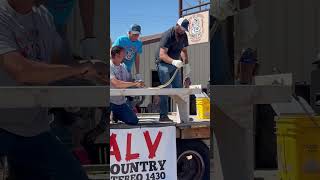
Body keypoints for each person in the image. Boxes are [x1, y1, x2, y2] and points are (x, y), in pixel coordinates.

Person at [0, 0, 100, 179]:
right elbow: (22, 71)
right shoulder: (3, 14)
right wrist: (78, 70)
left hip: (35, 130)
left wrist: (93, 70)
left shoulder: (44, 16)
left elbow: (62, 63)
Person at [155, 17, 192, 122]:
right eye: (181, 28)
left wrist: (187, 65)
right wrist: (174, 61)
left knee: (179, 89)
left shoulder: (183, 36)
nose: (182, 31)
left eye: (184, 29)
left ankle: (183, 116)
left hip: (174, 64)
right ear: (177, 25)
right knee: (166, 89)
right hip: (163, 63)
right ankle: (163, 116)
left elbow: (183, 51)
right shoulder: (168, 35)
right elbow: (162, 55)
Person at [110, 46, 144, 125]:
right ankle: (113, 115)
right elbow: (117, 83)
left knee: (133, 121)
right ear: (116, 55)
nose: (125, 56)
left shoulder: (123, 66)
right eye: (123, 54)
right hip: (110, 103)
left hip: (120, 102)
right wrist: (135, 83)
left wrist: (138, 82)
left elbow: (129, 81)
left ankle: (115, 115)